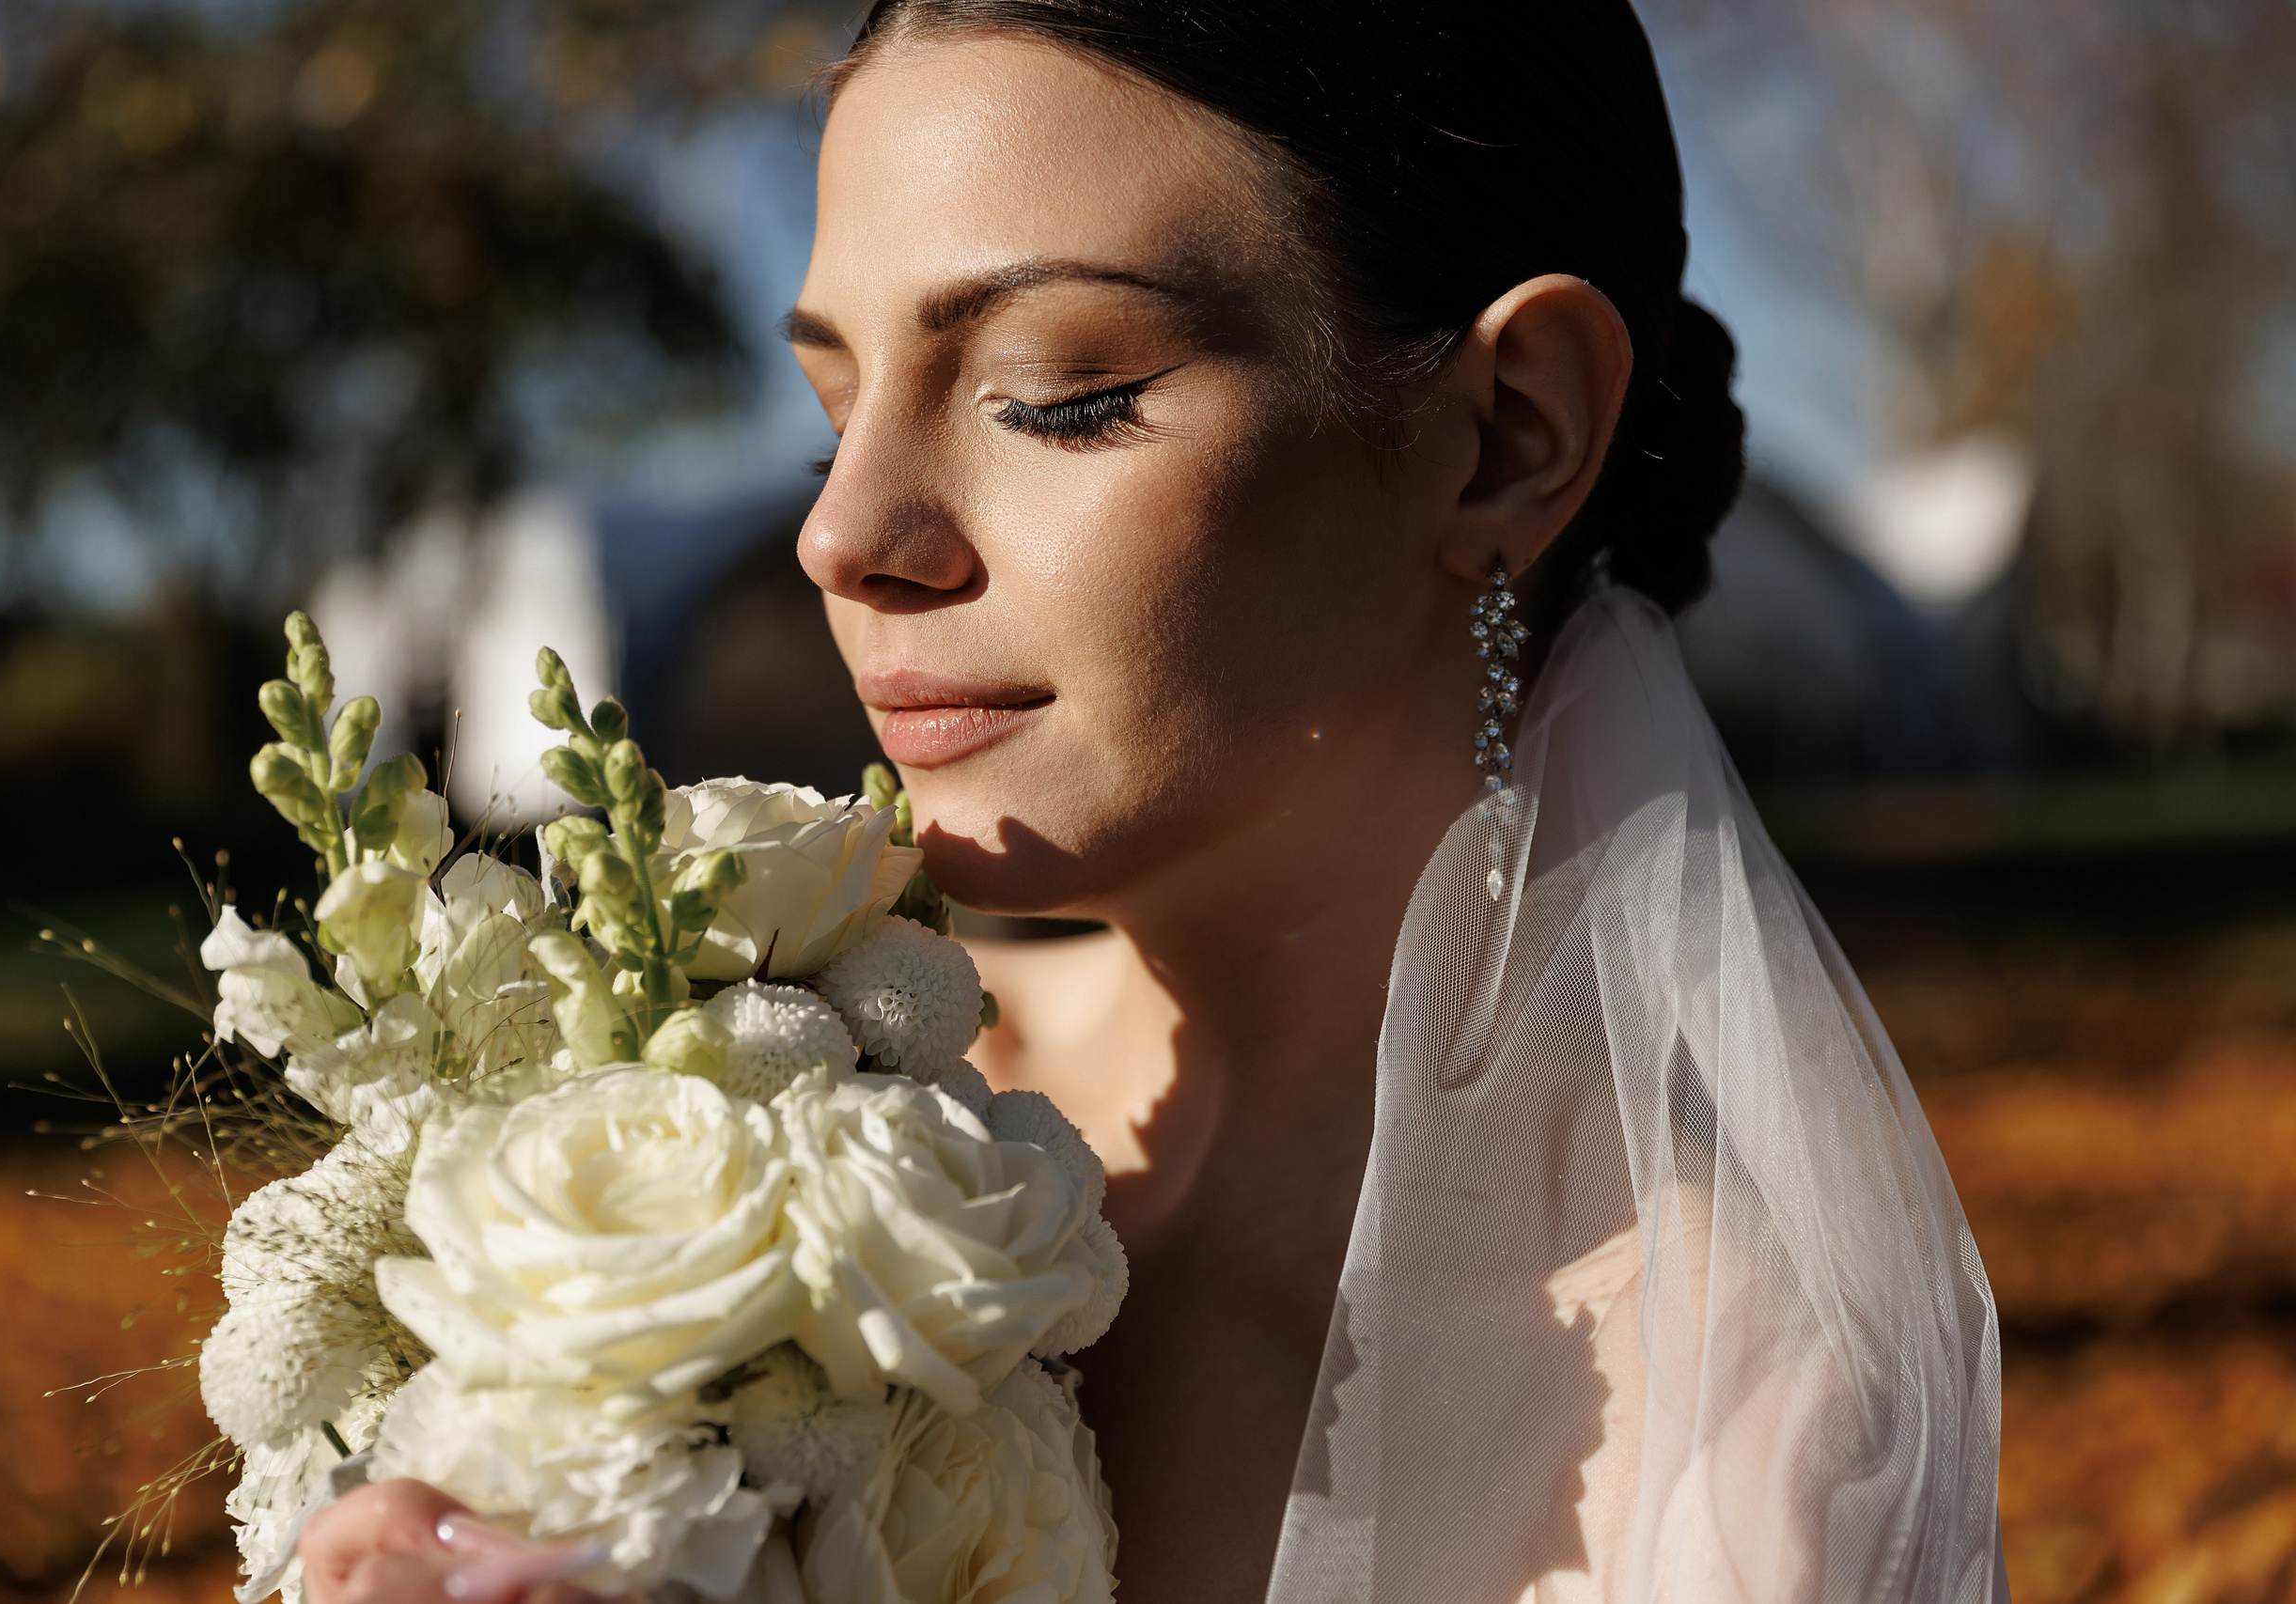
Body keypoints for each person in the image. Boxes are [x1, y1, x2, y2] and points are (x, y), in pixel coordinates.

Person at [303, 2, 2007, 1600]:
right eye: (834, 413)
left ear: (1508, 436)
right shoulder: (714, 1117)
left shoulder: (1723, 1443)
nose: (841, 534)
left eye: (1059, 397)